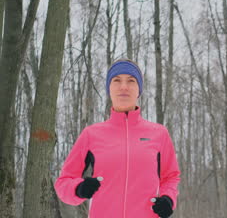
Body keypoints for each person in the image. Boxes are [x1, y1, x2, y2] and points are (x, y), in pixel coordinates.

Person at [55, 59, 180, 218]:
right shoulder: (91, 135)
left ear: (138, 89)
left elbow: (171, 177)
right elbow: (63, 181)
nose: (124, 86)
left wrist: (168, 199)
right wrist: (79, 188)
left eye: (131, 81)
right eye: (117, 80)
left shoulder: (159, 134)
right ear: (109, 88)